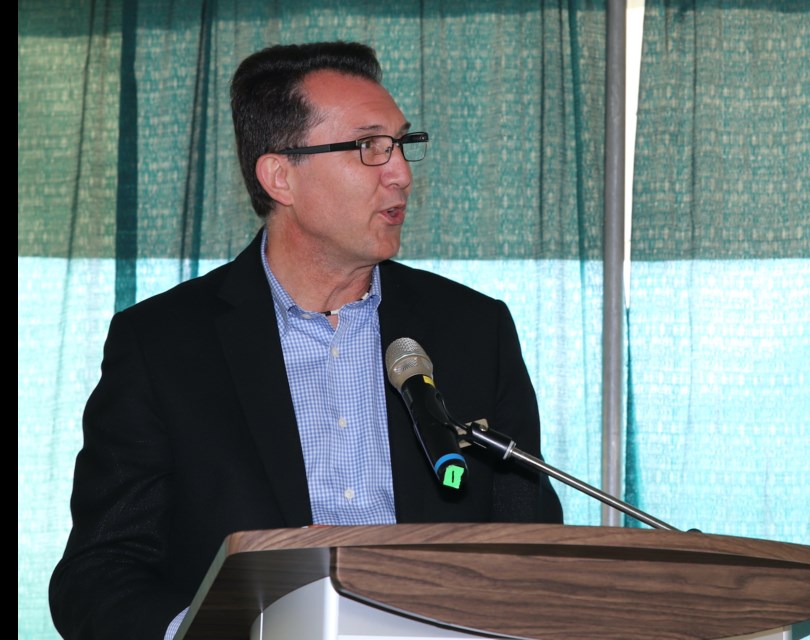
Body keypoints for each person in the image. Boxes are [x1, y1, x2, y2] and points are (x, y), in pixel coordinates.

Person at [48, 41, 562, 639]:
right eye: (370, 147)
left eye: (402, 145)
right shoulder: (163, 344)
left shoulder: (474, 329)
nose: (399, 173)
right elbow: (98, 571)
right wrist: (206, 630)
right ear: (280, 176)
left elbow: (531, 552)